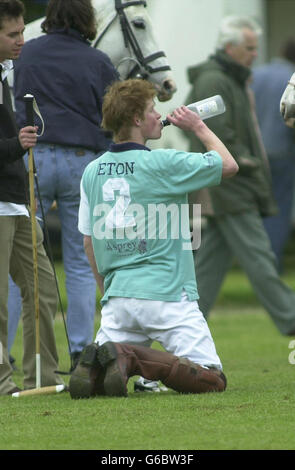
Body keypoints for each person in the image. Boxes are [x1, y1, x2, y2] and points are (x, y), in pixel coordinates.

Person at [68, 78, 238, 399]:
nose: (157, 114)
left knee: (103, 366)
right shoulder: (162, 161)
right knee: (211, 379)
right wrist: (197, 126)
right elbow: (228, 165)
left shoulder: (92, 171)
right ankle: (137, 362)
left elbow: (89, 242)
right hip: (167, 293)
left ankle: (117, 360)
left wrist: (108, 293)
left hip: (119, 299)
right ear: (136, 119)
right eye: (151, 109)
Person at [11, 0, 119, 371]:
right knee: (81, 260)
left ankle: (8, 352)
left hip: (33, 159)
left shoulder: (27, 53)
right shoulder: (98, 60)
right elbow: (111, 118)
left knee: (20, 261)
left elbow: (13, 105)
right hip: (81, 163)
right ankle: (80, 352)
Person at [184, 15, 295, 336]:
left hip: (227, 187)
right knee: (260, 260)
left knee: (206, 269)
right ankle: (290, 318)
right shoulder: (213, 81)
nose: (254, 54)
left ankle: (186, 325)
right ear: (229, 47)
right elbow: (212, 138)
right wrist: (247, 163)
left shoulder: (230, 78)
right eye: (249, 48)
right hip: (230, 187)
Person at [0, 0, 63, 395]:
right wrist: (15, 146)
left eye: (23, 31)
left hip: (17, 200)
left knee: (43, 290)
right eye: (12, 34)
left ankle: (41, 377)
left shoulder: (11, 75)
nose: (22, 40)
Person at [252, 38, 295, 272]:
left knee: (255, 210)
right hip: (282, 153)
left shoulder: (257, 75)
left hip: (256, 153)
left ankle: (255, 262)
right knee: (278, 210)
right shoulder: (291, 78)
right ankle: (270, 264)